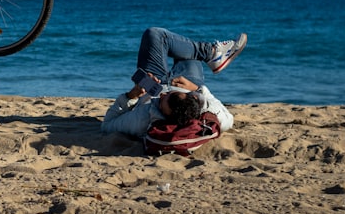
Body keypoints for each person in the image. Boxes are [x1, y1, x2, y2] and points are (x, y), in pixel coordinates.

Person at [101, 28, 247, 137]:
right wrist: (197, 88)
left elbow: (107, 125)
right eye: (169, 94)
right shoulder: (205, 110)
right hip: (189, 83)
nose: (164, 94)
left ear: (164, 114)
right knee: (187, 52)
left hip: (153, 83)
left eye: (163, 100)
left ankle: (211, 52)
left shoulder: (143, 118)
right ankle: (212, 54)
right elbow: (229, 118)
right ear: (194, 99)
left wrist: (132, 95)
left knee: (154, 34)